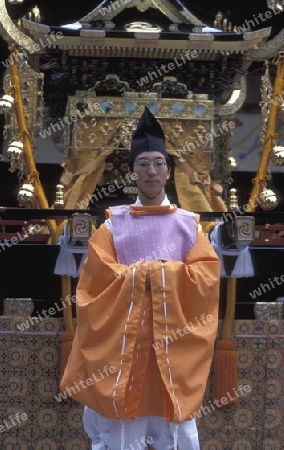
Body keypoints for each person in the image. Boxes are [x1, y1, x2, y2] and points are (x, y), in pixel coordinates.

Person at [60, 106, 221, 450]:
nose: (151, 171)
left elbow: (206, 276)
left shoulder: (189, 225)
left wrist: (153, 273)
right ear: (132, 173)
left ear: (168, 171)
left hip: (171, 347)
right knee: (121, 434)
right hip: (125, 348)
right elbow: (95, 281)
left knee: (176, 435)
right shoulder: (113, 224)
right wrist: (156, 273)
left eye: (158, 163)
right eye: (143, 164)